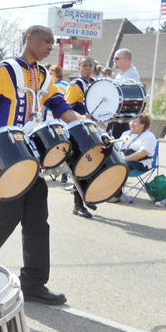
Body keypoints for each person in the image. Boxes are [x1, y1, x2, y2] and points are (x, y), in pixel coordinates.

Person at [0, 25, 81, 305]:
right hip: (3, 160)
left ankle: (34, 284)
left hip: (31, 160)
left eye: (53, 43)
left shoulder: (42, 75)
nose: (51, 47)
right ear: (29, 39)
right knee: (1, 224)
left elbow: (61, 106)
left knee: (38, 223)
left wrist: (88, 129)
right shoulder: (1, 71)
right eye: (46, 42)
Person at [63, 57, 96, 217]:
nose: (88, 68)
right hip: (78, 130)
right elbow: (66, 108)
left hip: (93, 129)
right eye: (85, 65)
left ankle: (88, 197)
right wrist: (83, 116)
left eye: (90, 66)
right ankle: (78, 205)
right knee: (80, 166)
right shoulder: (76, 85)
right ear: (79, 68)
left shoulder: (96, 84)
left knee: (93, 164)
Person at [107, 114, 158, 203]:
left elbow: (141, 154)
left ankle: (116, 195)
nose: (131, 124)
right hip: (124, 159)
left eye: (135, 122)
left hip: (140, 163)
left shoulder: (149, 136)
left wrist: (124, 159)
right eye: (131, 121)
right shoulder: (126, 133)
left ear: (143, 124)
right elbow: (118, 147)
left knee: (119, 166)